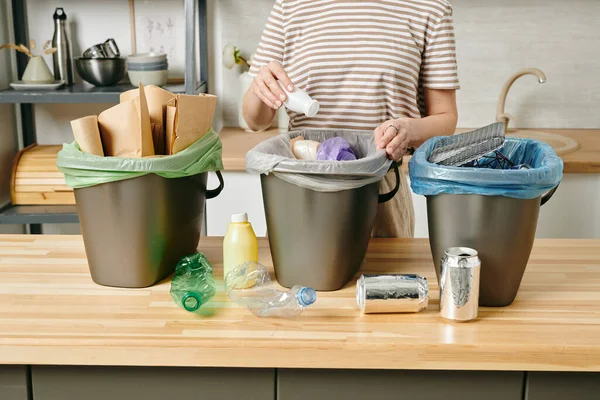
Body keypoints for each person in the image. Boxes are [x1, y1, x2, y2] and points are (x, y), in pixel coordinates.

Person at [243, 0, 459, 238]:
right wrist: (260, 85)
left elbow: (445, 119)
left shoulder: (429, 8)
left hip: (378, 190)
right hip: (300, 189)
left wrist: (407, 128)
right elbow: (255, 121)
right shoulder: (290, 6)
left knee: (385, 274)